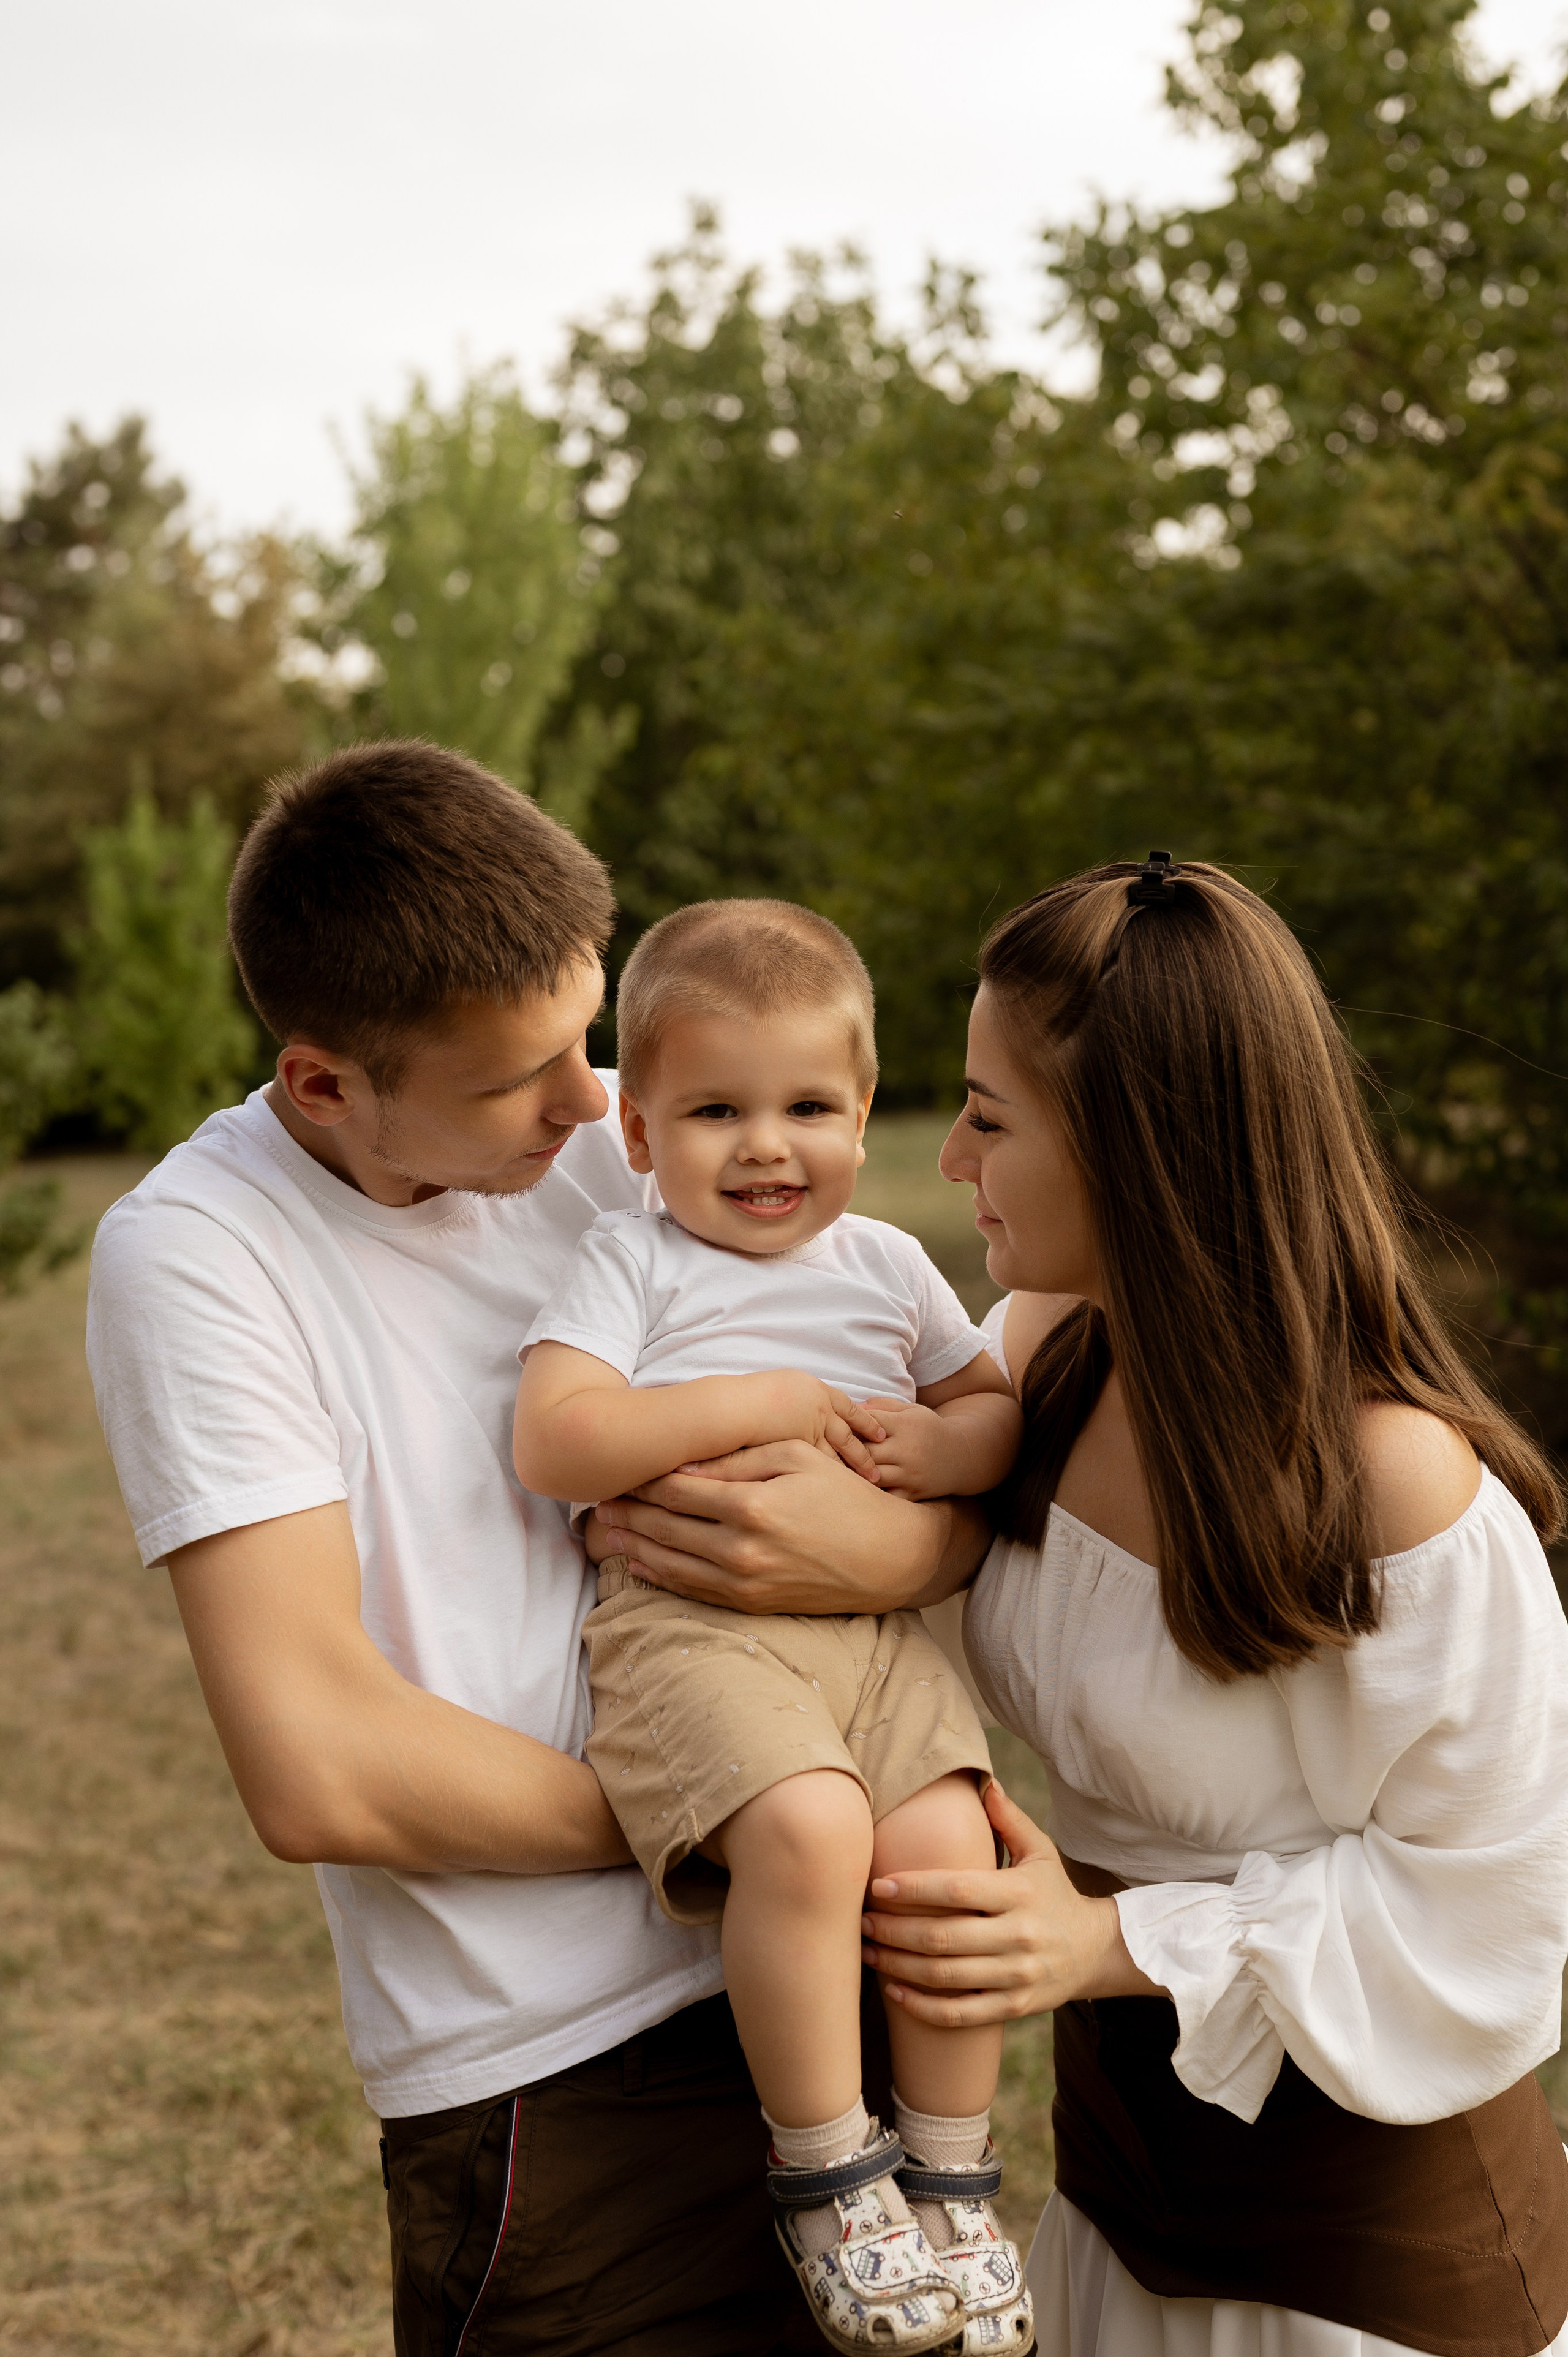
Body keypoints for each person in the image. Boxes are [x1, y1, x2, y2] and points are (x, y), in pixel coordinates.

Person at [85, 742, 989, 2357]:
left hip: (824, 1997)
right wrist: (769, 1814)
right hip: (553, 2081)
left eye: (586, 1039)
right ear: (325, 1086)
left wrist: (896, 1573)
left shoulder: (639, 1133)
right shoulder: (202, 1255)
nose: (587, 1106)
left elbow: (925, 1456)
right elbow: (323, 1768)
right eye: (522, 1076)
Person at [837, 856, 1568, 2357]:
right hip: (1119, 2198)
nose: (952, 1155)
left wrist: (1109, 1941)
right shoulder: (1042, 1357)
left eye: (987, 1116)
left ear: (1134, 1145)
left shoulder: (1392, 1486)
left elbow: (1498, 1906)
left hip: (1353, 2266)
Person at [514, 898, 1031, 2357]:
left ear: (861, 1116)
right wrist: (762, 1402)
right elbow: (556, 1438)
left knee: (947, 1850)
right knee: (809, 1828)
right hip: (691, 1627)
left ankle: (949, 2176)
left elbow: (990, 1411)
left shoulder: (887, 1263)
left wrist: (947, 1450)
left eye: (806, 1107)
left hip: (875, 1634)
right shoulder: (631, 1261)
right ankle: (827, 2172)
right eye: (714, 1111)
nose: (764, 1146)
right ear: (636, 1131)